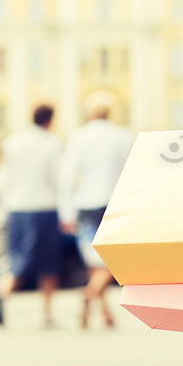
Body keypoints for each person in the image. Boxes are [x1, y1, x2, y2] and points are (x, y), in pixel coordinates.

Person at [59, 93, 133, 329]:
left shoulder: (78, 138)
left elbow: (68, 177)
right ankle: (93, 296)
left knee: (94, 260)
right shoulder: (123, 136)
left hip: (86, 204)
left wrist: (67, 213)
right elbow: (130, 173)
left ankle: (100, 308)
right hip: (114, 203)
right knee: (113, 259)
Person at [0, 104, 61, 328]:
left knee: (17, 258)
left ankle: (3, 289)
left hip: (16, 208)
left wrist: (2, 210)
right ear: (50, 120)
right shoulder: (52, 144)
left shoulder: (13, 142)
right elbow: (57, 179)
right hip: (45, 207)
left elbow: (5, 179)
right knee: (48, 263)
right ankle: (46, 312)